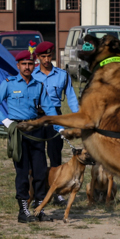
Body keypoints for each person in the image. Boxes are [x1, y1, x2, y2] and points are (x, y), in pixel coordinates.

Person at [0, 49, 56, 223]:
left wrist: (60, 128)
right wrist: (6, 122)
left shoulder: (39, 86)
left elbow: (49, 109)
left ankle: (39, 209)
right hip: (18, 131)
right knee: (22, 172)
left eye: (30, 64)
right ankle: (23, 211)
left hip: (36, 129)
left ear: (34, 65)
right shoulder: (9, 83)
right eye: (24, 64)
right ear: (18, 65)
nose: (27, 67)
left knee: (41, 171)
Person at [32, 40, 81, 206]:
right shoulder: (32, 75)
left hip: (56, 117)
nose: (46, 59)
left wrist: (77, 117)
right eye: (43, 56)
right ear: (37, 57)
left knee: (55, 155)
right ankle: (38, 192)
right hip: (37, 118)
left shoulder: (62, 75)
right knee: (37, 156)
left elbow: (72, 97)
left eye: (49, 56)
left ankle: (58, 192)